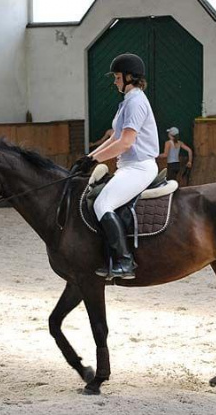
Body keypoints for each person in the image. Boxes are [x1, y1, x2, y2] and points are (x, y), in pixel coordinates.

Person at [72, 53, 159, 280]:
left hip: (140, 167)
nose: (115, 81)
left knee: (103, 203)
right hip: (128, 166)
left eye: (118, 77)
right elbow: (114, 138)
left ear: (130, 77)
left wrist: (95, 160)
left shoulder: (136, 101)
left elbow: (126, 142)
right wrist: (89, 157)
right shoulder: (127, 102)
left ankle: (125, 261)